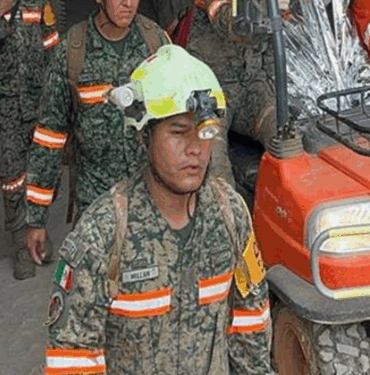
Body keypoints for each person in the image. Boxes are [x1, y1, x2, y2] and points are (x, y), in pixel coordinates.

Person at [42, 44, 272, 375]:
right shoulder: (102, 234)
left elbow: (251, 326)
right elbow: (72, 358)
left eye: (204, 132)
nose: (195, 148)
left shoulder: (230, 214)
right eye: (178, 132)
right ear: (144, 138)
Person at [24, 0, 190, 267]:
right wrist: (36, 219)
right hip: (96, 207)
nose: (129, 2)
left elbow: (180, 122)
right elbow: (49, 139)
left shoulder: (155, 43)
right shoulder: (73, 52)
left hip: (152, 200)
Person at [186, 0, 291, 148]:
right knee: (211, 156)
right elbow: (225, 22)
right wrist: (266, 9)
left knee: (285, 138)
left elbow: (286, 34)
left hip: (253, 83)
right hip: (213, 84)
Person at [0, 0, 60, 279]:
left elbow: (50, 39)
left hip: (36, 99)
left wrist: (58, 82)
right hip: (2, 103)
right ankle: (20, 244)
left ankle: (36, 237)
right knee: (11, 177)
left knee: (41, 173)